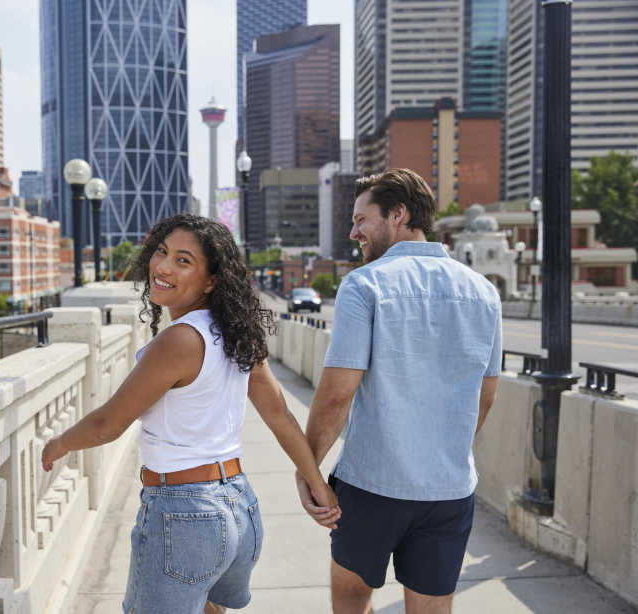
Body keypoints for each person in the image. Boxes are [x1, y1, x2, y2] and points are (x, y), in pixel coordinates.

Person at [42, 214, 339, 614]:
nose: (163, 267)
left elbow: (106, 425)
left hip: (185, 515)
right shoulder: (235, 334)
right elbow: (280, 416)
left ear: (212, 280)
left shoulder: (180, 340)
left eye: (183, 261)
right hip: (239, 506)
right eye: (161, 252)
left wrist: (59, 444)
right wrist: (319, 487)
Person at [296, 169, 502, 614]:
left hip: (373, 485)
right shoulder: (484, 292)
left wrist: (308, 469)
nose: (354, 232)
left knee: (351, 600)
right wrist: (444, 452)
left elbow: (336, 396)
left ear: (398, 213)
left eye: (360, 219)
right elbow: (485, 396)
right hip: (449, 489)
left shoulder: (365, 284)